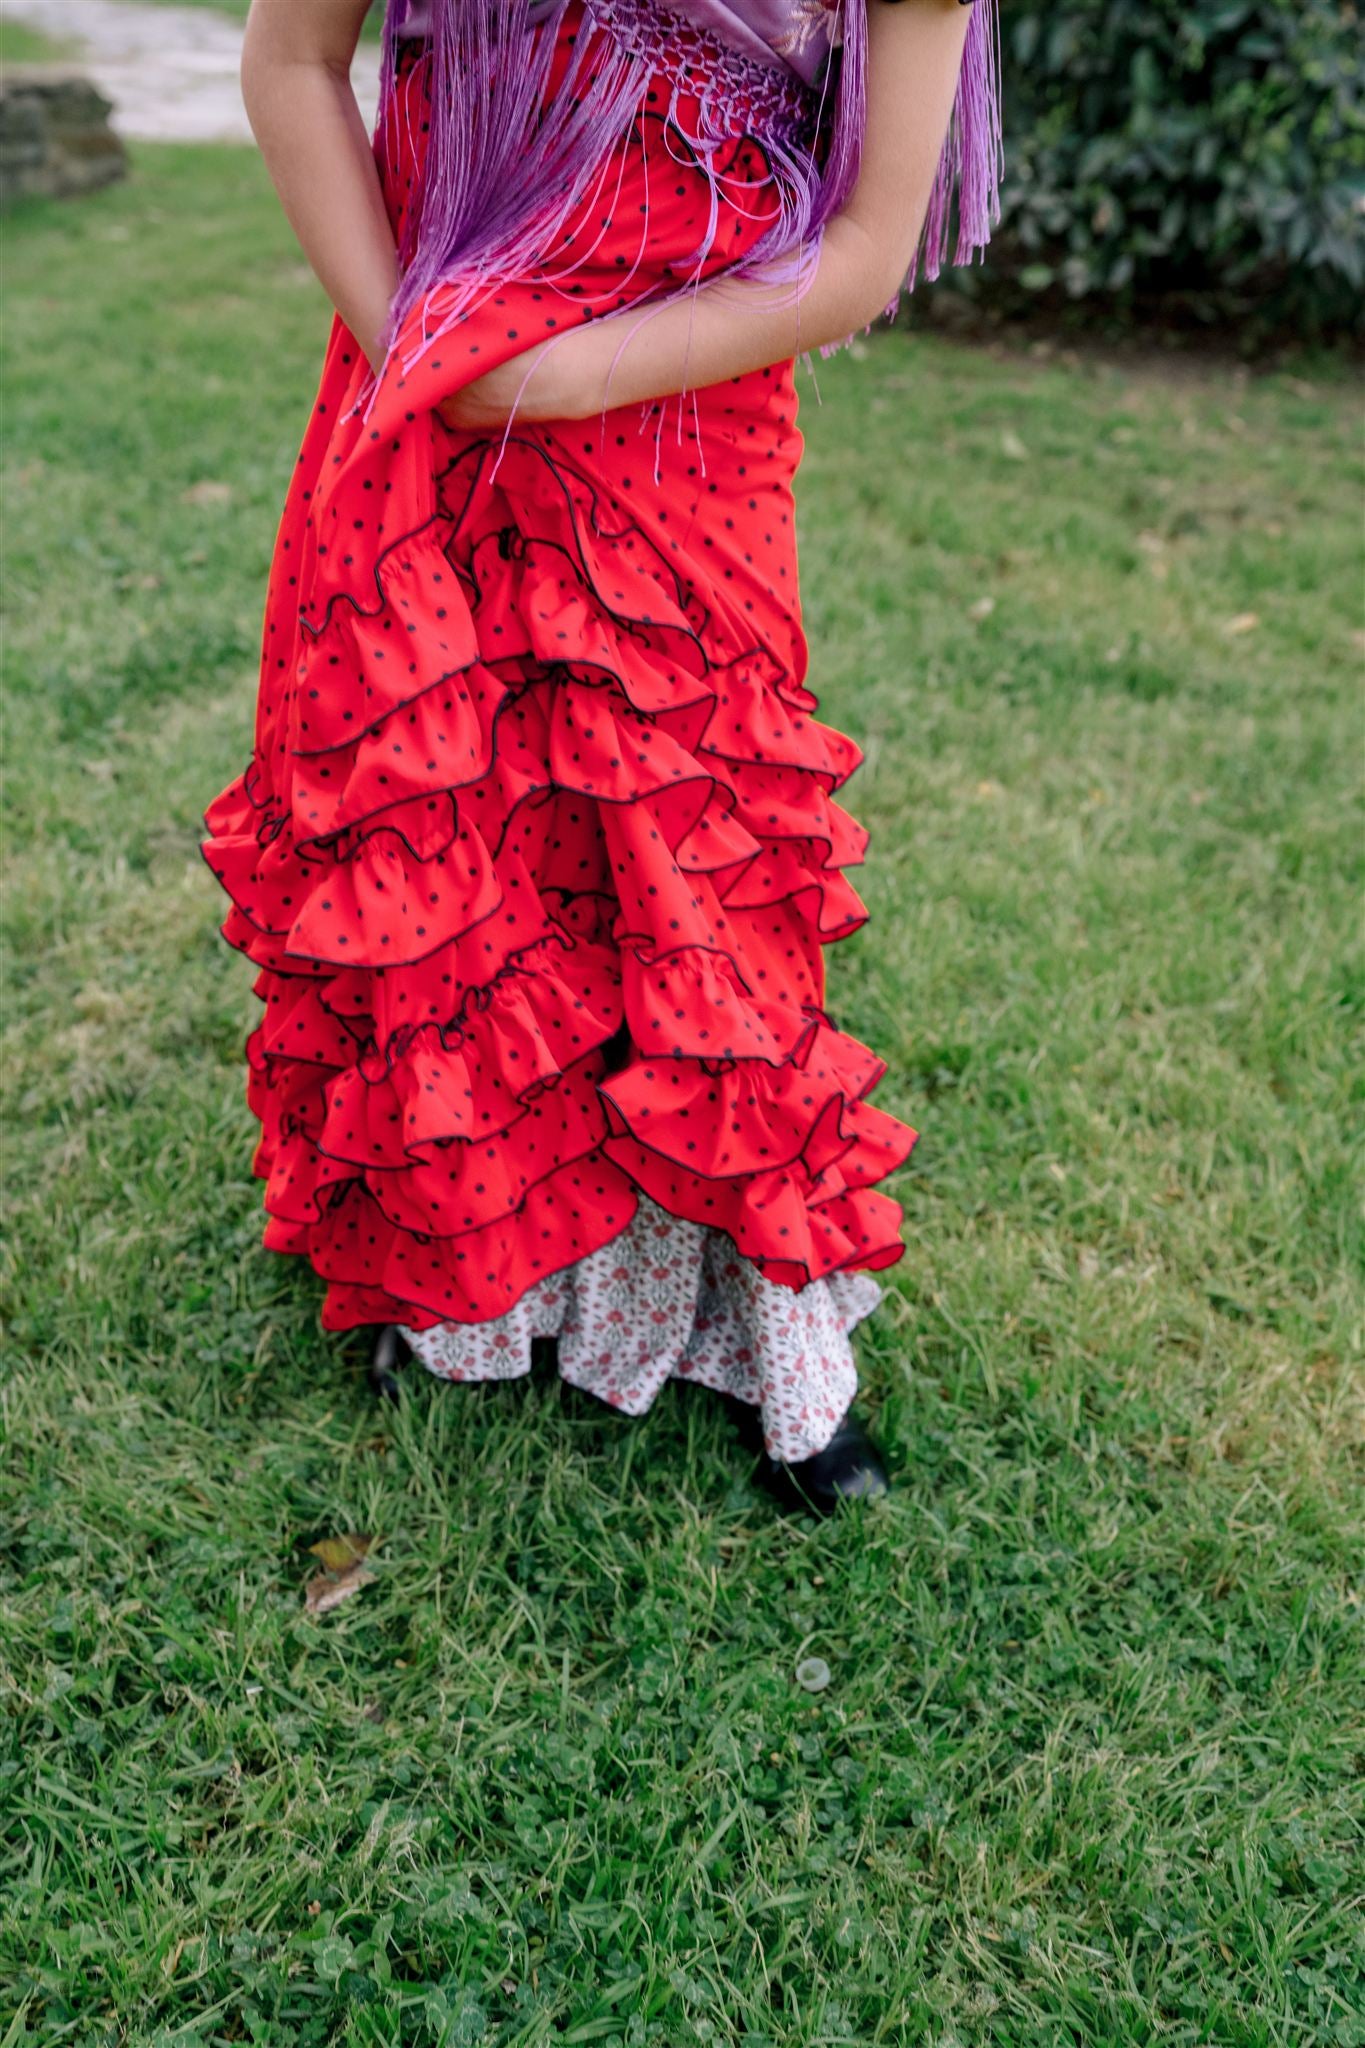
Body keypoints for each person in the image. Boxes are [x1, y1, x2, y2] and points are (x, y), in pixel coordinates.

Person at [202, 0, 1000, 1511]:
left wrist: (564, 383)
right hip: (431, 396)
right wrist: (417, 358)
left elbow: (863, 256)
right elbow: (291, 57)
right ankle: (463, 1283)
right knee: (455, 844)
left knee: (696, 862)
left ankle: (774, 1342)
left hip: (683, 430)